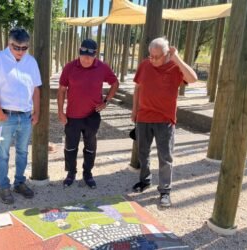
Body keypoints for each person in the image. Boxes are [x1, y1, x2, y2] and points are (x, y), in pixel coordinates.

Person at [131, 37, 198, 207]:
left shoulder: (175, 67)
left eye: (157, 56)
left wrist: (177, 59)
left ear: (167, 54)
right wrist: (134, 111)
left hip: (164, 120)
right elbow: (138, 87)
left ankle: (165, 191)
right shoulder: (145, 65)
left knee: (165, 157)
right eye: (150, 55)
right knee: (143, 153)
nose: (152, 60)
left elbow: (193, 79)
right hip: (144, 117)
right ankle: (145, 181)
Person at [0, 27, 41, 204]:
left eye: (25, 48)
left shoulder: (31, 62)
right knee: (2, 153)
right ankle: (3, 186)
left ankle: (19, 182)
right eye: (17, 47)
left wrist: (37, 111)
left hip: (25, 116)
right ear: (9, 44)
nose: (21, 51)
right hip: (5, 116)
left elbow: (36, 89)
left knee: (23, 152)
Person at [58, 38, 119, 189]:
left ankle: (88, 173)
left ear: (95, 56)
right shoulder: (70, 67)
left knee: (90, 146)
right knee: (70, 147)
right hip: (72, 115)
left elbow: (115, 83)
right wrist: (60, 111)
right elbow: (61, 90)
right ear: (79, 53)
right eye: (83, 56)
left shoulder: (102, 67)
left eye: (89, 57)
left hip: (92, 115)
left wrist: (106, 101)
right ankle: (71, 173)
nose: (86, 59)